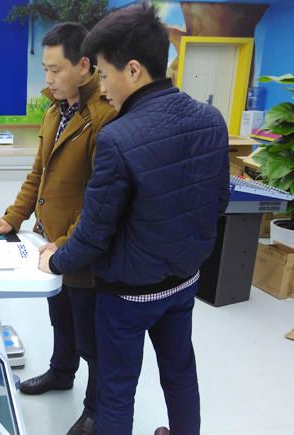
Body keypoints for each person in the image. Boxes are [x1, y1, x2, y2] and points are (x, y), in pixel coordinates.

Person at [38, 2, 230, 435]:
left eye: (105, 76)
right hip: (183, 282)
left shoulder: (118, 137)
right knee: (180, 372)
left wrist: (56, 261)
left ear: (134, 70)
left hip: (128, 295)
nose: (103, 88)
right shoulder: (210, 120)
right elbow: (218, 201)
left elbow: (94, 232)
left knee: (117, 390)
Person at [0, 22, 116, 435]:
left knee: (90, 335)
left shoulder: (103, 117)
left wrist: (67, 244)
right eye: (45, 70)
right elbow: (38, 173)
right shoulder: (56, 110)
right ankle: (61, 372)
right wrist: (13, 217)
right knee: (61, 315)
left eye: (56, 70)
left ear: (84, 66)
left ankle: (95, 409)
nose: (48, 79)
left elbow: (101, 197)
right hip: (49, 241)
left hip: (79, 246)